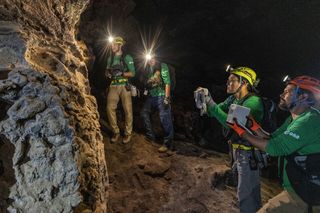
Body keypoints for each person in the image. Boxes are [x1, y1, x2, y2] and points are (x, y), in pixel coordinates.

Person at [228, 75, 320, 213]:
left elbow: (276, 148)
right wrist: (252, 125)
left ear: (303, 97)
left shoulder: (309, 121)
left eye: (288, 92)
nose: (281, 94)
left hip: (307, 195)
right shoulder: (293, 119)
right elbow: (272, 138)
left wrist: (241, 132)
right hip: (299, 189)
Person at [195, 67, 264, 213]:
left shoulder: (253, 102)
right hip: (237, 150)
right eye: (228, 81)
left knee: (247, 197)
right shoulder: (234, 98)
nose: (228, 84)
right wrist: (205, 105)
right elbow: (216, 111)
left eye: (232, 81)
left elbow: (233, 125)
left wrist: (211, 104)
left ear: (244, 82)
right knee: (241, 190)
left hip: (249, 155)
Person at [140, 56, 174, 153]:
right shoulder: (149, 68)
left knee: (164, 118)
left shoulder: (162, 66)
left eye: (152, 59)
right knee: (144, 113)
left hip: (162, 95)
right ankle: (150, 136)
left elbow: (167, 82)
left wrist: (167, 98)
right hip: (152, 96)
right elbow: (147, 82)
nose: (150, 61)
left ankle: (168, 144)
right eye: (148, 59)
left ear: (155, 58)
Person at [106, 36, 136, 144]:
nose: (112, 47)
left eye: (114, 45)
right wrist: (109, 74)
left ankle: (128, 133)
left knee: (127, 110)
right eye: (112, 45)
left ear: (120, 45)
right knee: (109, 108)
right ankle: (116, 131)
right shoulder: (110, 58)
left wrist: (122, 73)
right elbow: (107, 71)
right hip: (113, 85)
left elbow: (133, 73)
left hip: (124, 85)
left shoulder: (127, 57)